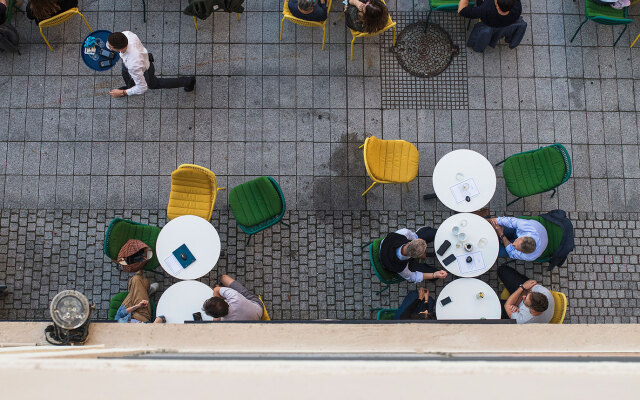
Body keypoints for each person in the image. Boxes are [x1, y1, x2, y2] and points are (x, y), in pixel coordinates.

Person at [106, 31, 195, 99]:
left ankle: (188, 81)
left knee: (154, 84)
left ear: (119, 50)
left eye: (110, 47)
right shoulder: (127, 34)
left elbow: (142, 88)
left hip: (144, 69)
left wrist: (123, 93)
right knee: (125, 74)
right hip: (139, 61)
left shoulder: (133, 65)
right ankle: (129, 87)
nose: (108, 47)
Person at [379, 227, 448, 283]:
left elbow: (415, 237)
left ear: (408, 243)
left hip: (387, 245)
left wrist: (418, 244)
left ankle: (426, 230)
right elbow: (412, 277)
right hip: (391, 260)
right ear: (415, 257)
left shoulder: (404, 233)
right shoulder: (401, 268)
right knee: (434, 276)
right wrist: (434, 275)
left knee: (433, 233)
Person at [457, 0, 521, 28]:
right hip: (506, 21)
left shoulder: (485, 9)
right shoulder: (517, 7)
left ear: (497, 6)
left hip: (489, 22)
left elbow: (461, 10)